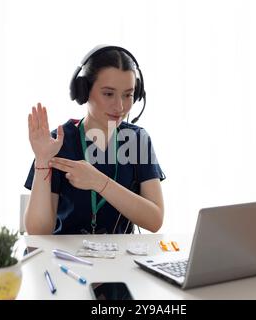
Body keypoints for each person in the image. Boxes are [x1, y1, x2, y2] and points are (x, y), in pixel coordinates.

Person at [24, 45, 166, 235]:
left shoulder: (137, 140)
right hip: (67, 259)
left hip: (118, 259)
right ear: (83, 91)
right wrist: (42, 159)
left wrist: (99, 182)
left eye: (128, 95)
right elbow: (38, 231)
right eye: (108, 94)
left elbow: (154, 221)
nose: (120, 106)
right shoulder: (58, 142)